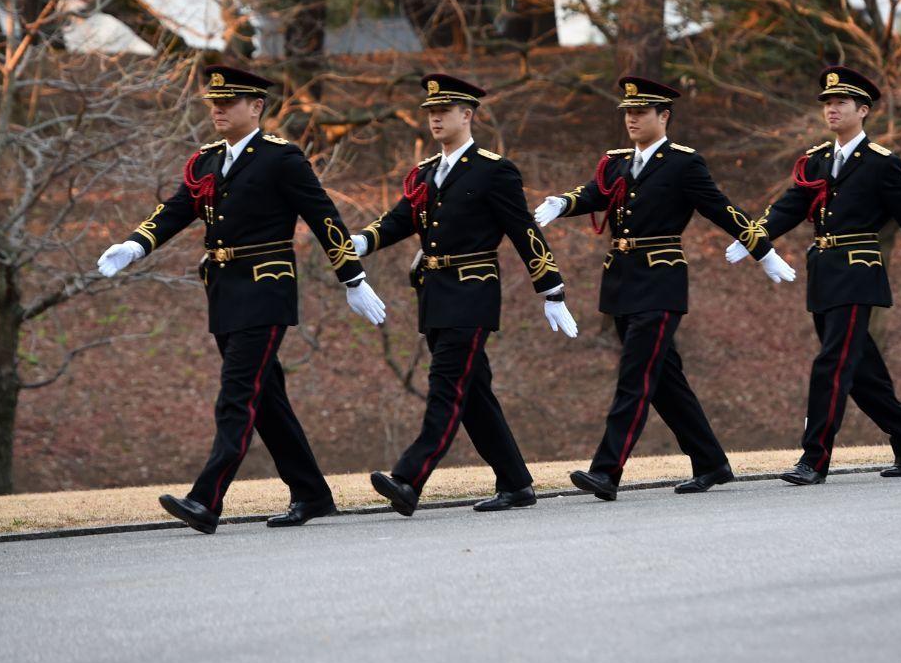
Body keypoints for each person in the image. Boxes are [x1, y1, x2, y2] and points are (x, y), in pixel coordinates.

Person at [96, 65, 387, 534]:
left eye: (228, 102)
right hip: (225, 290)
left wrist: (352, 278)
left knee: (236, 394)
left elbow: (324, 217)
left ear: (257, 107)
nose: (218, 109)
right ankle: (312, 493)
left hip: (266, 288)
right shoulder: (207, 159)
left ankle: (207, 499)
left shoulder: (281, 158)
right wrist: (136, 245)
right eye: (214, 102)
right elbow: (175, 209)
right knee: (266, 398)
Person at [530, 76, 796, 502]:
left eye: (641, 112)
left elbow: (721, 207)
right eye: (628, 113)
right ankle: (711, 462)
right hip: (621, 281)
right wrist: (564, 202)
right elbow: (599, 193)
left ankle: (606, 470)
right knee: (665, 381)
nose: (632, 119)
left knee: (635, 376)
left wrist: (762, 250)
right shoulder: (618, 160)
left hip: (660, 281)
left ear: (663, 116)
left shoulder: (683, 163)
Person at [725, 65, 901, 485]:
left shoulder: (881, 164)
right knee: (859, 372)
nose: (832, 109)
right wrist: (755, 238)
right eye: (827, 103)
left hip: (859, 274)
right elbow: (788, 205)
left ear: (863, 110)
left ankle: (814, 458)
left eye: (840, 102)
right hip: (823, 274)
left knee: (831, 365)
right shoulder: (818, 159)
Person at [351, 74, 578, 517]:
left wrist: (552, 290)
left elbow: (524, 231)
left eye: (444, 111)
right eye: (430, 112)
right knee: (473, 394)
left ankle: (408, 477)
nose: (435, 118)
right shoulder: (424, 173)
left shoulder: (494, 170)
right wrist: (364, 240)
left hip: (472, 294)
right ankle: (515, 483)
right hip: (435, 296)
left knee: (446, 386)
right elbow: (401, 219)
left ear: (467, 115)